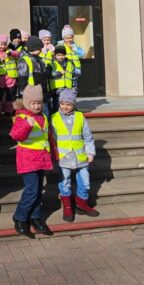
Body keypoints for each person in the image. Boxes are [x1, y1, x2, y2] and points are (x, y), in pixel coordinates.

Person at [9, 85, 57, 238]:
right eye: (33, 103)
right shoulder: (22, 117)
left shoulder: (43, 117)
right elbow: (16, 135)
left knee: (38, 189)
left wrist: (54, 154)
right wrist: (27, 125)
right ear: (27, 103)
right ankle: (20, 217)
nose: (37, 106)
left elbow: (47, 138)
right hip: (28, 159)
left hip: (41, 158)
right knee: (32, 190)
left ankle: (35, 217)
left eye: (39, 103)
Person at [52, 89, 99, 222]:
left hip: (80, 156)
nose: (65, 107)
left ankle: (82, 204)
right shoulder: (54, 118)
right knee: (64, 183)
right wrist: (53, 157)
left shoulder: (80, 117)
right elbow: (52, 140)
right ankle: (67, 207)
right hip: (63, 157)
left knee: (85, 182)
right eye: (62, 103)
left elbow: (88, 137)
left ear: (74, 105)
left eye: (69, 104)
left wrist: (90, 153)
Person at [17, 36, 51, 116]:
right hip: (31, 93)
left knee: (45, 114)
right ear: (33, 48)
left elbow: (42, 75)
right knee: (33, 115)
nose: (41, 51)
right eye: (39, 49)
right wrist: (23, 93)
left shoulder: (39, 59)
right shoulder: (24, 60)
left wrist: (47, 71)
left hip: (42, 92)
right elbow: (22, 78)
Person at [49, 45, 78, 113]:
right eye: (58, 55)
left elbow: (74, 77)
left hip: (68, 89)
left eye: (62, 55)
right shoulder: (52, 63)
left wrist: (74, 87)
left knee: (68, 106)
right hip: (57, 90)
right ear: (55, 55)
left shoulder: (70, 64)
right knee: (57, 106)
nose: (60, 57)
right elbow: (49, 75)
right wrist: (59, 73)